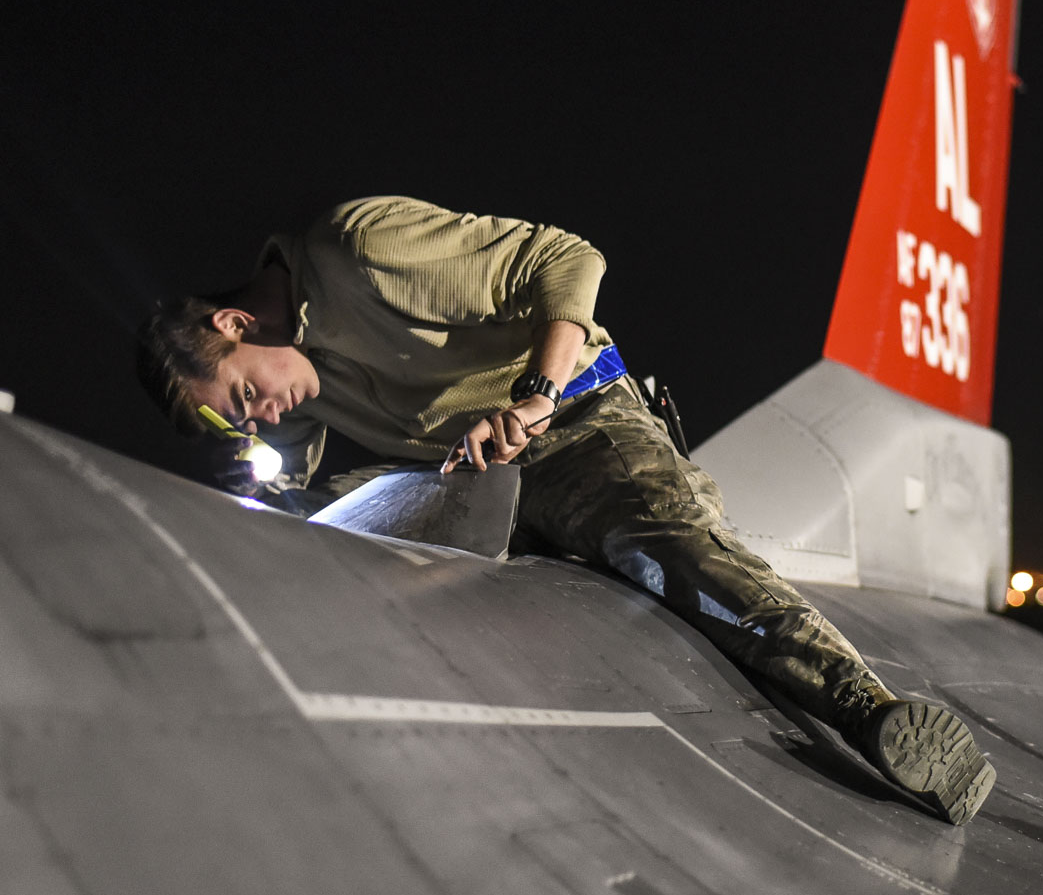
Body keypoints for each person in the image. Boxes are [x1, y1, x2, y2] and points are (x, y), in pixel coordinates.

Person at [134, 196, 995, 825]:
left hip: (577, 422)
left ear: (239, 320)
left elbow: (568, 259)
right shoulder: (302, 381)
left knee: (672, 552)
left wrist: (535, 396)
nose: (265, 419)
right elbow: (293, 487)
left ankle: (874, 714)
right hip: (477, 469)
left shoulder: (356, 250)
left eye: (246, 397)